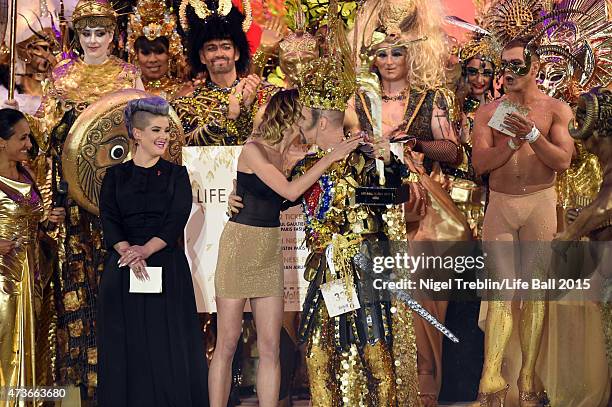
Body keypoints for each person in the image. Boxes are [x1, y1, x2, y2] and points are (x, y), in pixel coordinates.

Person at [5, 0, 145, 399]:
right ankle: (78, 388)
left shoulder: (128, 74)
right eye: (86, 33)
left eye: (101, 32)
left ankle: (126, 383)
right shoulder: (63, 76)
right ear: (77, 36)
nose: (94, 40)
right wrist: (27, 119)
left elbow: (146, 132)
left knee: (121, 285)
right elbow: (46, 142)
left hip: (119, 195)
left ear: (112, 35)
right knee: (76, 288)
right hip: (73, 196)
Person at [210, 89, 359, 407]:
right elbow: (289, 191)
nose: (312, 119)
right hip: (239, 247)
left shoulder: (291, 155)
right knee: (228, 342)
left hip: (268, 250)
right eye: (306, 113)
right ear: (292, 115)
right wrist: (330, 158)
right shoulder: (254, 149)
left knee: (270, 346)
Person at [472, 36, 574, 406]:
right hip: (500, 204)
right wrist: (510, 145)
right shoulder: (488, 112)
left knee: (533, 293)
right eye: (505, 65)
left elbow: (563, 161)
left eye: (517, 65)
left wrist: (532, 136)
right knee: (500, 291)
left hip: (540, 203)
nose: (509, 72)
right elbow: (479, 164)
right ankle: (490, 379)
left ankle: (528, 378)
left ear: (534, 68)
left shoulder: (554, 109)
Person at [97, 96, 208, 407]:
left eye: (167, 131)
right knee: (125, 345)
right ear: (136, 134)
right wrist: (127, 250)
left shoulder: (177, 175)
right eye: (156, 130)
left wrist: (143, 250)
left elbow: (176, 219)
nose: (164, 137)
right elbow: (109, 218)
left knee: (166, 345)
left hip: (166, 267)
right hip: (123, 268)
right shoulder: (114, 176)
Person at [0, 108, 65, 393]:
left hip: (33, 277)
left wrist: (48, 223)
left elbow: (35, 227)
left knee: (32, 345)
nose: (29, 144)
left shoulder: (26, 172)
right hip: (4, 281)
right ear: (2, 142)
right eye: (23, 138)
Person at [172, 1, 275, 146]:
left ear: (237, 53)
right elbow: (188, 145)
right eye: (211, 48)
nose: (219, 53)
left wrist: (247, 108)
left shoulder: (266, 95)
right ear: (202, 56)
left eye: (226, 47)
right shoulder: (187, 105)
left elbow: (275, 142)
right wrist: (229, 116)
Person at [127, 0, 185, 99]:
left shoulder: (183, 93)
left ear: (169, 53)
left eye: (159, 52)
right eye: (145, 53)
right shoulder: (128, 94)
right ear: (136, 55)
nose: (153, 59)